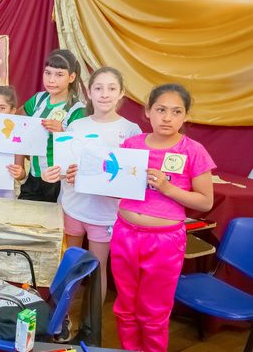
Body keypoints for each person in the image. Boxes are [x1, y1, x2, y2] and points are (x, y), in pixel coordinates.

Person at [68, 83, 214, 352]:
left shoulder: (192, 150)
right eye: (160, 109)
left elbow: (205, 201)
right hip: (125, 233)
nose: (167, 117)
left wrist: (168, 188)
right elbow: (111, 183)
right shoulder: (132, 145)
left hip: (164, 242)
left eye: (175, 111)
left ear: (186, 116)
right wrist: (83, 174)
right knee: (124, 306)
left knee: (154, 312)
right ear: (148, 111)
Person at [41, 67, 141, 303]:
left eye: (111, 88)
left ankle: (92, 325)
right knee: (69, 263)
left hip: (104, 214)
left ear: (121, 93)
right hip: (72, 207)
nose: (104, 94)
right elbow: (64, 169)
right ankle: (61, 316)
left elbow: (133, 179)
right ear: (89, 92)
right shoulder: (77, 127)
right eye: (98, 88)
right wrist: (54, 174)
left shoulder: (131, 132)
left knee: (97, 269)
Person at [18, 49, 85, 203]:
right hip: (33, 176)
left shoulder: (77, 109)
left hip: (58, 181)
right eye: (48, 73)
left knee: (53, 225)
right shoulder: (38, 99)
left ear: (72, 77)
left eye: (59, 74)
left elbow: (80, 150)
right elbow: (18, 122)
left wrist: (62, 133)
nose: (51, 80)